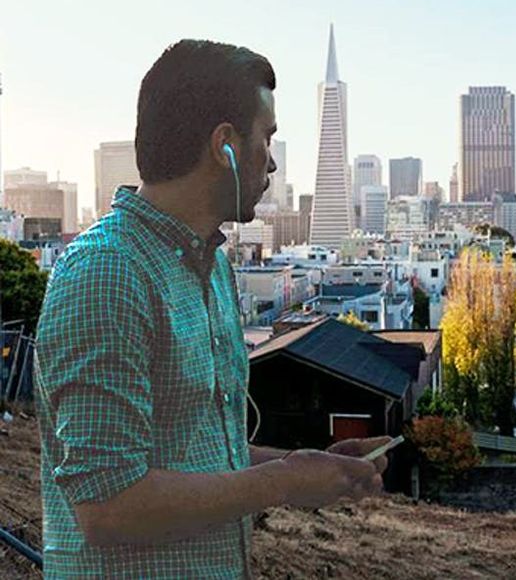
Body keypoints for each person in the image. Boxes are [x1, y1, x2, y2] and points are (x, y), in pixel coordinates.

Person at [35, 40, 387, 578]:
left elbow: (200, 455)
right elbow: (108, 506)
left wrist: (311, 466)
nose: (271, 161)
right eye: (266, 138)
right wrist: (283, 482)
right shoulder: (108, 274)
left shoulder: (214, 267)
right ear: (225, 146)